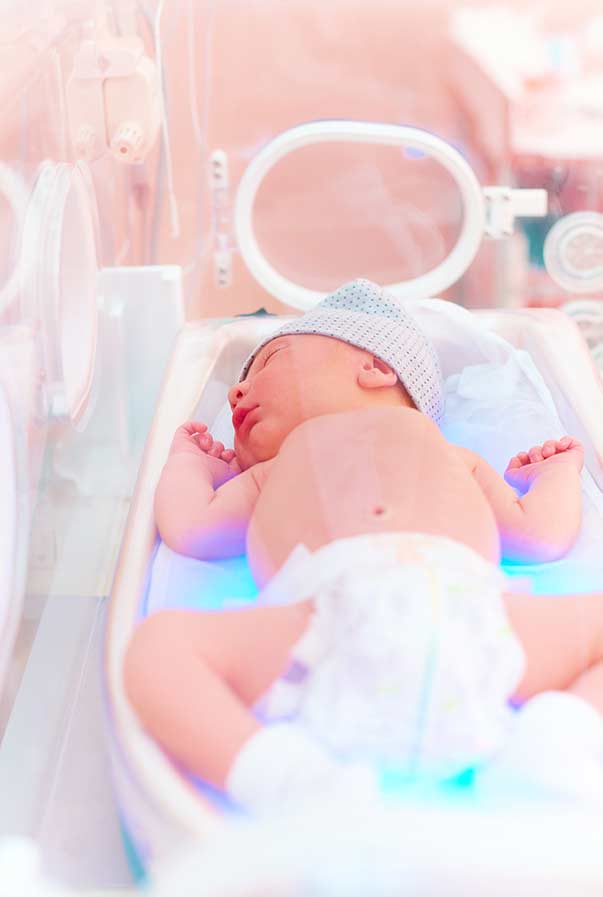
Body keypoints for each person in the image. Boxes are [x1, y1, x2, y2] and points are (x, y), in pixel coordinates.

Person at [124, 279, 603, 812]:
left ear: (375, 367)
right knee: (154, 648)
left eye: (270, 360)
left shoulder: (451, 454)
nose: (236, 393)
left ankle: (556, 739)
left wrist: (559, 474)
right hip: (327, 620)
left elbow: (540, 535)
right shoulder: (278, 468)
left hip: (474, 615)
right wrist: (192, 466)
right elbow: (190, 528)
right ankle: (287, 779)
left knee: (162, 646)